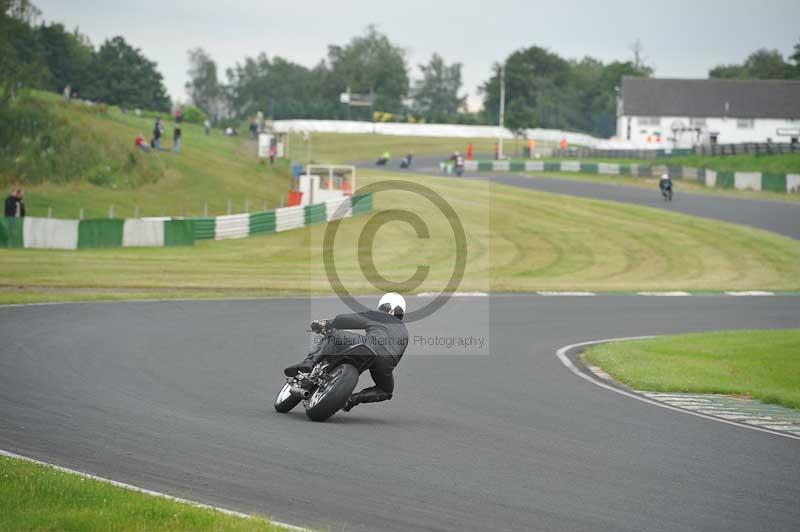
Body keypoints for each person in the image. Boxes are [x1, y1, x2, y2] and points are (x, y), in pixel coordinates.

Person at [284, 292, 408, 411]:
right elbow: (397, 355)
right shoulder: (405, 331)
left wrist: (326, 323)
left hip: (369, 345)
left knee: (334, 335)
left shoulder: (377, 315)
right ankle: (351, 400)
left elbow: (345, 319)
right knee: (385, 391)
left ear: (382, 305)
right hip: (387, 362)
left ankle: (309, 363)